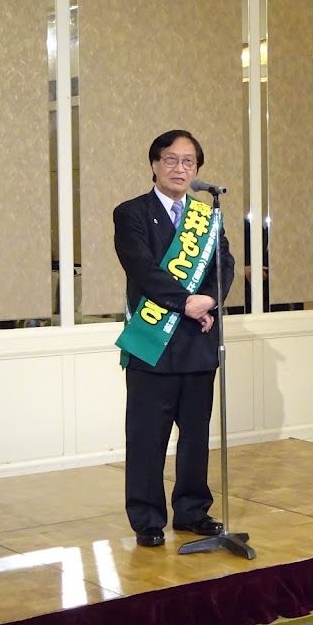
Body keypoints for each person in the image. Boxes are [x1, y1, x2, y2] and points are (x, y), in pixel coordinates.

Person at [113, 129, 235, 547]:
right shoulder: (131, 213)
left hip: (199, 342)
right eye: (171, 159)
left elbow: (224, 264)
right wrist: (187, 303)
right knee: (147, 437)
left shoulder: (207, 215)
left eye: (188, 162)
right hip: (153, 343)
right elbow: (142, 269)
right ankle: (147, 519)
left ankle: (192, 511)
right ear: (154, 164)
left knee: (196, 436)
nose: (179, 168)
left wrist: (211, 300)